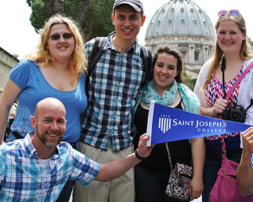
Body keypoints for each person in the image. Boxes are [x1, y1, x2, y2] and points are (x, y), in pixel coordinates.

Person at [0, 14, 87, 201]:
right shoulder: (27, 67)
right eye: (55, 36)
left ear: (75, 40)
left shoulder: (81, 73)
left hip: (64, 158)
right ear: (46, 42)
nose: (61, 40)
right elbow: (4, 105)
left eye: (67, 35)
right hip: (23, 154)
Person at [193, 10, 253, 201]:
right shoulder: (208, 68)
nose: (227, 37)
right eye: (222, 32)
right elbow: (194, 109)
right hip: (211, 149)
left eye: (233, 32)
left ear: (244, 35)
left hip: (243, 150)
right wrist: (211, 110)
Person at [0, 97, 152, 201]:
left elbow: (103, 172)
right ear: (34, 122)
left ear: (65, 124)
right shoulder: (5, 156)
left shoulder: (67, 156)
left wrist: (139, 155)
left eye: (60, 121)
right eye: (48, 120)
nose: (54, 127)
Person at [74, 0, 149, 201]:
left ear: (142, 20)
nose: (127, 23)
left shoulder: (146, 57)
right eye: (121, 17)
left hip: (126, 148)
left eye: (133, 17)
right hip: (91, 145)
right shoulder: (92, 49)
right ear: (113, 18)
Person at [133, 47, 205, 202]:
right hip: (144, 171)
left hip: (179, 173)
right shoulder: (138, 94)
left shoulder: (188, 99)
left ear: (177, 71)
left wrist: (197, 177)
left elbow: (197, 139)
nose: (164, 71)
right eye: (160, 65)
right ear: (153, 67)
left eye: (170, 67)